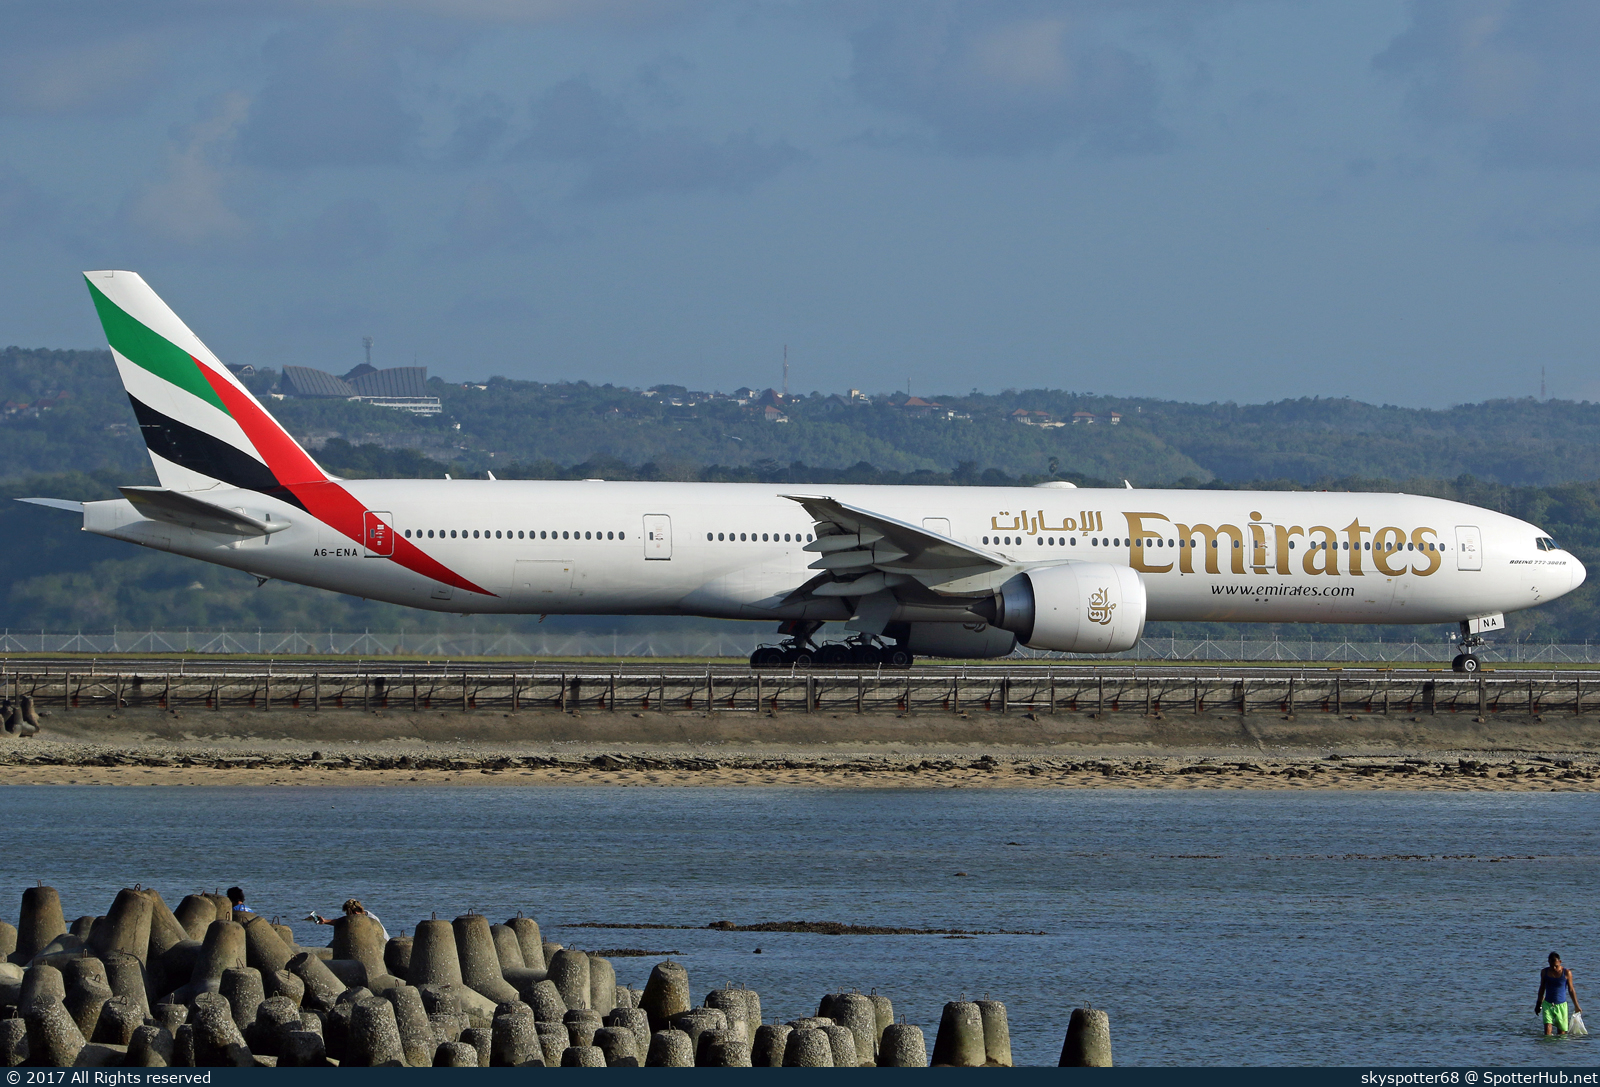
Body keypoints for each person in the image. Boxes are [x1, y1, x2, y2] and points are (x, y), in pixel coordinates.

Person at [1536, 952, 1582, 1036]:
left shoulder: (1567, 973)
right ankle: (1547, 1047)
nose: (1554, 968)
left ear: (1560, 962)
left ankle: (1559, 1049)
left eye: (1556, 966)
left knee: (1561, 1034)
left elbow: (1571, 990)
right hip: (1547, 1004)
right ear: (1548, 962)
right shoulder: (1544, 972)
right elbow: (1542, 988)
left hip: (1561, 1006)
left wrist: (1576, 1006)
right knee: (1547, 1031)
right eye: (1551, 966)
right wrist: (1538, 1004)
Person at [308, 898, 389, 941]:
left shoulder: (370, 920)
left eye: (348, 913)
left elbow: (346, 922)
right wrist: (325, 921)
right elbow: (343, 922)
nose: (347, 916)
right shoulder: (362, 916)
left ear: (355, 913)